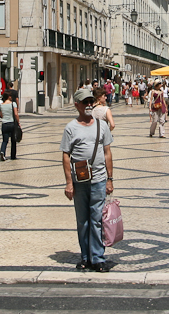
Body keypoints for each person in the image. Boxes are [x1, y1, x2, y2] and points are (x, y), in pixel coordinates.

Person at [60, 88, 114, 272]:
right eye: (85, 102)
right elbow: (66, 156)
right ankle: (85, 257)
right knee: (83, 221)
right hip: (79, 180)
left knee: (97, 219)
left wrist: (110, 179)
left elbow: (107, 153)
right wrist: (69, 183)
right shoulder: (70, 128)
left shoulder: (102, 125)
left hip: (99, 179)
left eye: (91, 101)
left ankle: (98, 257)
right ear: (77, 105)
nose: (89, 105)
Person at [0, 91, 19, 161]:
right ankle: (13, 156)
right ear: (9, 97)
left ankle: (2, 152)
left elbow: (1, 115)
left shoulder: (1, 105)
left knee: (5, 140)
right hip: (12, 123)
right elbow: (16, 114)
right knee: (13, 140)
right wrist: (18, 122)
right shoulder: (13, 104)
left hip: (4, 124)